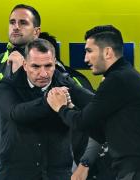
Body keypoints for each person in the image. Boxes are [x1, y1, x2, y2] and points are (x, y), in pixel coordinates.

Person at [47, 25, 140, 180]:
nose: (85, 58)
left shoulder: (117, 80)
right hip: (135, 171)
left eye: (89, 51)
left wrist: (61, 107)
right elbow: (101, 130)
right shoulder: (123, 76)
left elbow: (81, 123)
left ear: (107, 52)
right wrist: (71, 107)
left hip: (138, 172)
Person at [0, 38, 94, 180]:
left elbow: (95, 106)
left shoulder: (65, 83)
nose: (43, 73)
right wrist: (50, 100)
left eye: (48, 66)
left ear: (55, 63)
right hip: (14, 173)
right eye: (36, 66)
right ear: (25, 65)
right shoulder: (7, 85)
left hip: (56, 173)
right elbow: (15, 113)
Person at [39, 31, 115, 180]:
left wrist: (83, 164)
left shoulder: (73, 82)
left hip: (76, 165)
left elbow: (96, 121)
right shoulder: (24, 83)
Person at [0, 4, 41, 179]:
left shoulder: (50, 70)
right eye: (12, 22)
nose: (16, 26)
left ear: (36, 31)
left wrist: (24, 72)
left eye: (23, 22)